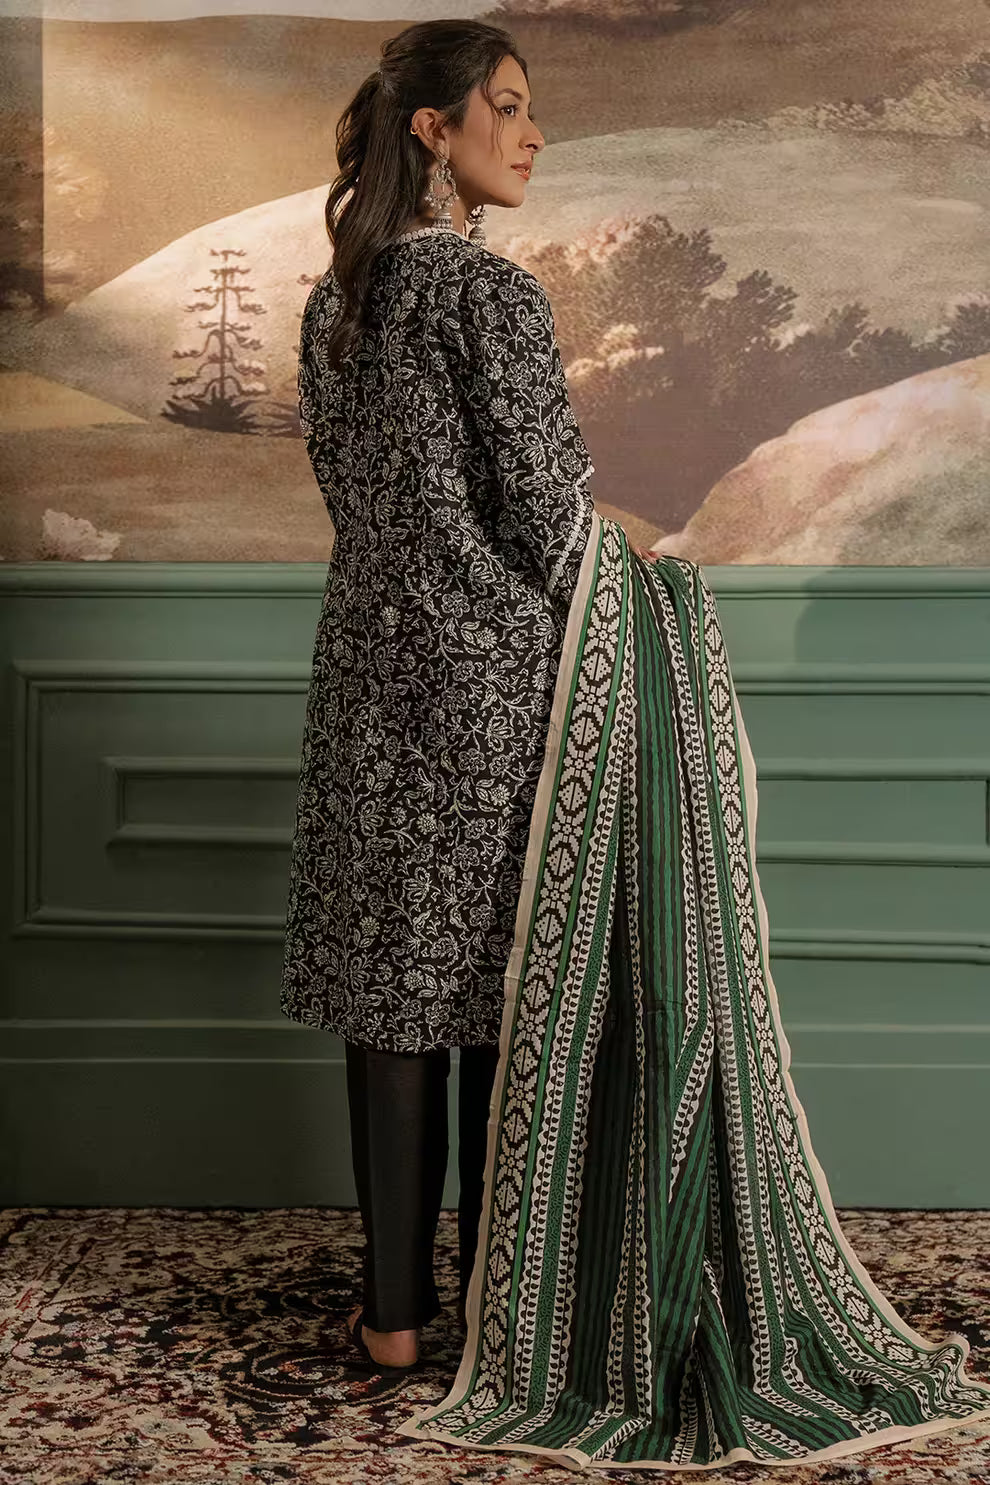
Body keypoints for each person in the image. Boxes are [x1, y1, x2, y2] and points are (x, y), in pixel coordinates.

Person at [282, 19, 990, 1471]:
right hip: (497, 685)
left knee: (399, 984)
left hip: (365, 674)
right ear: (434, 129)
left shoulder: (331, 301)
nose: (531, 137)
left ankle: (391, 1316)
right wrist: (652, 581)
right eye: (510, 109)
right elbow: (548, 514)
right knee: (504, 976)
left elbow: (363, 504)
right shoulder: (489, 296)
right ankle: (500, 1306)